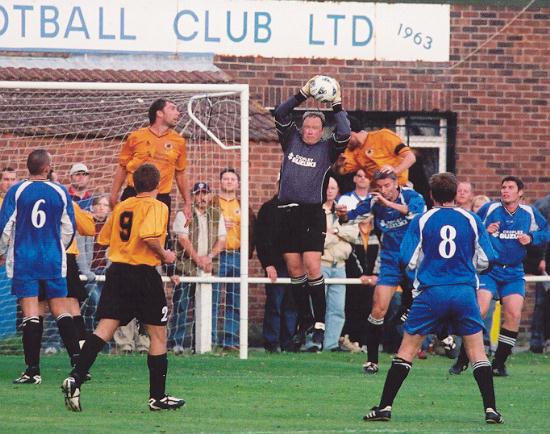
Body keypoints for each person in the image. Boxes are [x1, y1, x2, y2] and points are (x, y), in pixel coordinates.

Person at [363, 172, 503, 425]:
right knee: (477, 351)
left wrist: (421, 270)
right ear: (455, 194)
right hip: (463, 291)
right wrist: (471, 267)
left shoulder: (422, 219)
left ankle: (384, 406)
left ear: (431, 195)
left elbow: (406, 258)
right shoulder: (471, 218)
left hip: (432, 291)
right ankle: (491, 409)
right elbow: (489, 257)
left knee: (407, 350)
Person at [62, 163, 184, 412]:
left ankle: (75, 378)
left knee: (104, 328)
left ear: (134, 184)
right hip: (142, 273)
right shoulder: (158, 206)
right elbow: (149, 236)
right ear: (159, 185)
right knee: (158, 334)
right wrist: (165, 254)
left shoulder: (122, 207)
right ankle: (157, 398)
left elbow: (104, 238)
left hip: (117, 272)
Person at [274, 76, 350, 349]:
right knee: (295, 270)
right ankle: (304, 321)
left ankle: (319, 322)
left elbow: (344, 132)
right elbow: (281, 113)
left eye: (315, 127)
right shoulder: (290, 139)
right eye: (306, 126)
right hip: (286, 212)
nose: (309, 131)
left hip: (311, 214)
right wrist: (302, 93)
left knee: (313, 267)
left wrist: (337, 104)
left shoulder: (327, 149)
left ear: (321, 130)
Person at [449, 176, 549, 376]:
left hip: (513, 272)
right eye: (503, 187)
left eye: (510, 188)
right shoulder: (490, 209)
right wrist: (485, 231)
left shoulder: (529, 212)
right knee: (480, 310)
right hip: (490, 271)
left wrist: (532, 238)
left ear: (520, 192)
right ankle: (463, 358)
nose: (505, 191)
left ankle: (499, 363)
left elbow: (546, 231)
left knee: (513, 314)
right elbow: (471, 230)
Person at [0, 150, 79, 384]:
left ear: (28, 168)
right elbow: (68, 228)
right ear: (47, 168)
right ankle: (78, 363)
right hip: (52, 257)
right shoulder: (60, 191)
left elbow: (5, 227)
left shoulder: (17, 191)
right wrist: (57, 247)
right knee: (60, 308)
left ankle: (32, 371)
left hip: (25, 257)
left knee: (30, 312)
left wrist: (3, 251)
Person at [337, 170, 426, 374]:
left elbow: (416, 214)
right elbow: (350, 217)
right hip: (390, 261)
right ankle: (372, 361)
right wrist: (342, 214)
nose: (384, 191)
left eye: (387, 186)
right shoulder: (374, 201)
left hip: (414, 259)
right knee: (378, 308)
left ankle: (443, 335)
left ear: (396, 184)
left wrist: (389, 205)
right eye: (380, 187)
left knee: (418, 303)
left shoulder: (412, 196)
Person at [109, 98, 192, 224]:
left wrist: (187, 203)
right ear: (159, 113)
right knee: (127, 239)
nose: (178, 113)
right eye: (172, 108)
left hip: (160, 198)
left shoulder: (179, 141)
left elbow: (180, 173)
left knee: (157, 241)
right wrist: (113, 195)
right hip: (133, 194)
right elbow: (122, 167)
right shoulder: (136, 136)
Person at [169, 182, 226, 353]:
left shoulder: (217, 214)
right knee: (182, 306)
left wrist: (208, 258)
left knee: (209, 307)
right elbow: (182, 239)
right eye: (198, 193)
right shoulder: (184, 214)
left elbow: (222, 240)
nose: (202, 197)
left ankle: (205, 344)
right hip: (186, 267)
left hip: (208, 267)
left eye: (205, 193)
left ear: (210, 195)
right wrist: (197, 259)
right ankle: (176, 343)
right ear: (193, 196)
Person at [336, 169, 379, 350]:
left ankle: (368, 342)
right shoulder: (346, 200)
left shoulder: (377, 234)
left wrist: (373, 275)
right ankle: (351, 339)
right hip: (356, 274)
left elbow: (379, 255)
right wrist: (362, 275)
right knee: (353, 305)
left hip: (373, 278)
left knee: (372, 307)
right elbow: (351, 252)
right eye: (359, 176)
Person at [216, 168, 255, 349]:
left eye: (233, 179)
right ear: (221, 182)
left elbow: (252, 231)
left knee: (235, 301)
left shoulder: (243, 205)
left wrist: (247, 254)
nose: (229, 181)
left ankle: (230, 341)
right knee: (214, 299)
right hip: (218, 256)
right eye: (226, 178)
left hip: (237, 255)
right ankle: (210, 339)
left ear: (238, 184)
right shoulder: (213, 203)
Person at [319, 177, 359, 351]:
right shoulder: (315, 211)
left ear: (338, 191)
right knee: (318, 308)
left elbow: (353, 233)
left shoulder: (345, 211)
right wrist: (335, 236)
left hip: (340, 265)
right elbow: (317, 240)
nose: (329, 191)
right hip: (321, 263)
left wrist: (334, 231)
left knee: (337, 308)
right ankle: (313, 343)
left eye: (333, 188)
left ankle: (331, 344)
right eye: (327, 187)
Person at [256, 192, 297, 353]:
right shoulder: (268, 209)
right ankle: (271, 343)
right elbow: (261, 239)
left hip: (295, 266)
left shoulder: (299, 208)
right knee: (275, 304)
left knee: (292, 305)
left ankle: (288, 342)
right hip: (276, 266)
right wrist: (268, 264)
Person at [334, 128, 416, 186]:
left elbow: (411, 157)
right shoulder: (352, 152)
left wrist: (394, 171)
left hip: (400, 187)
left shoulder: (383, 136)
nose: (343, 143)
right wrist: (338, 163)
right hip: (378, 191)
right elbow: (340, 171)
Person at [0, 167, 18, 339]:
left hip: (12, 259)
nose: (9, 183)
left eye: (13, 179)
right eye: (6, 179)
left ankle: (8, 340)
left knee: (7, 303)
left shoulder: (20, 203)